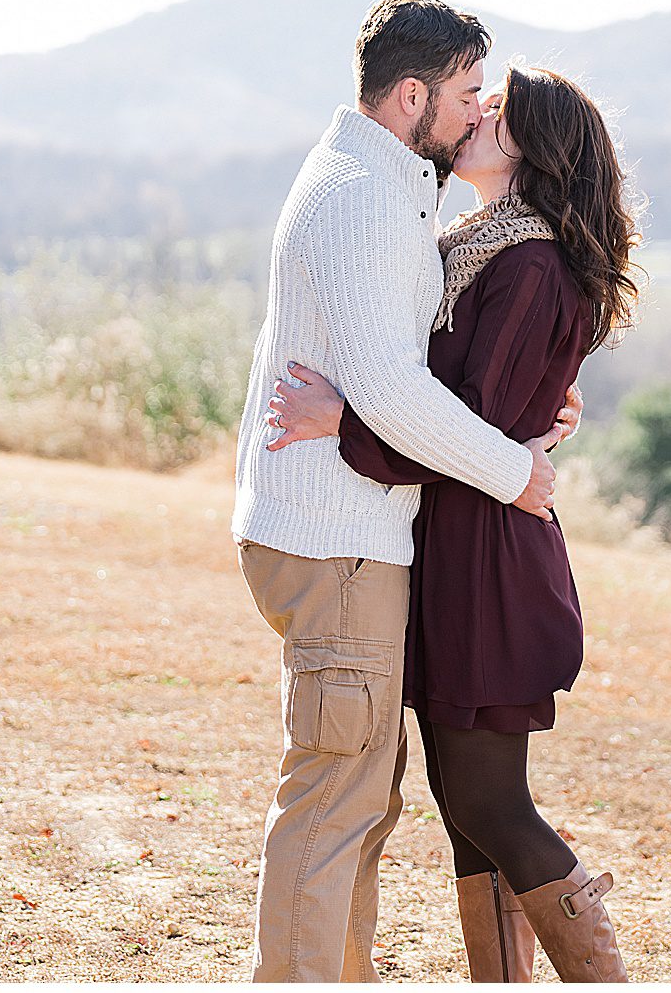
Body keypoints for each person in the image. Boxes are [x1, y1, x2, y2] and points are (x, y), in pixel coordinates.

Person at [265, 64, 642, 982]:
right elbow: (485, 402)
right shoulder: (478, 244)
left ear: (534, 146)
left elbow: (463, 417)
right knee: (462, 802)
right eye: (473, 98)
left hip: (489, 560)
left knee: (488, 800)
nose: (475, 114)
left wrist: (342, 422)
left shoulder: (531, 263)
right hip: (450, 546)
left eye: (497, 109)